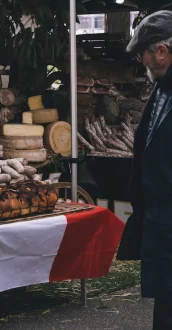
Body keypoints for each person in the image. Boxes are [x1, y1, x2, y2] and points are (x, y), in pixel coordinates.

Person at [117, 10, 172, 330]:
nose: (143, 62)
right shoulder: (163, 89)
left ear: (162, 51)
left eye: (144, 54)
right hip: (161, 218)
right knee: (165, 301)